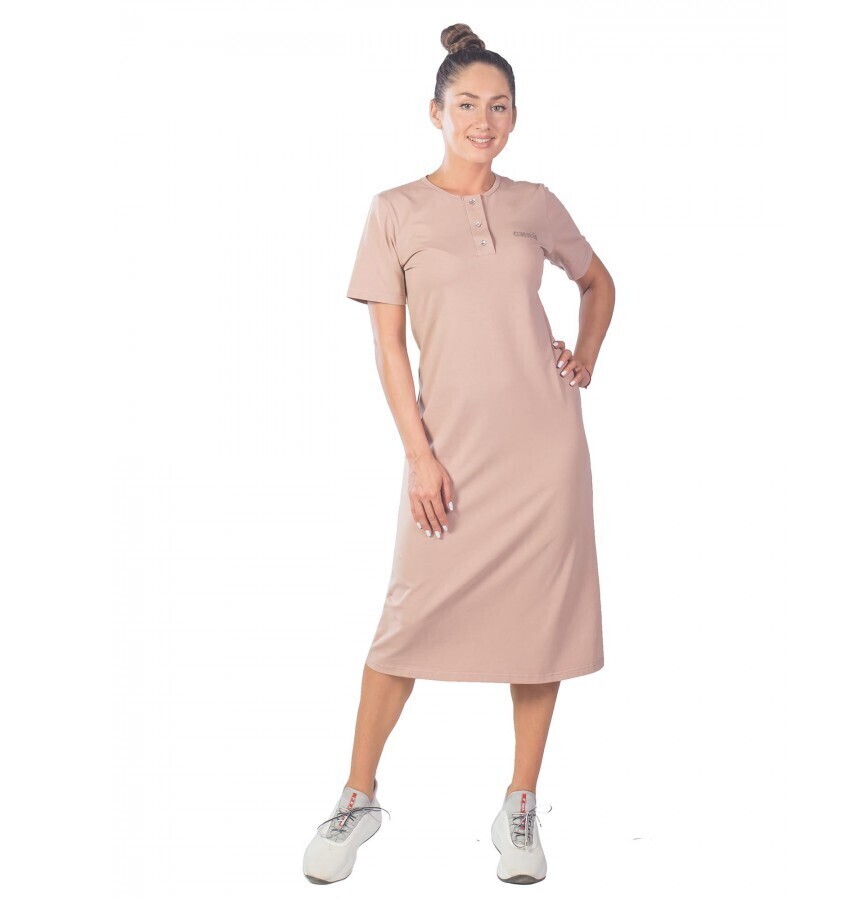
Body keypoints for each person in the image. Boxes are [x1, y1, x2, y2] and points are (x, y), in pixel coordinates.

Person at [303, 23, 616, 886]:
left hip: (545, 453)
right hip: (450, 456)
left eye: (500, 106)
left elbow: (598, 281)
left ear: (515, 116)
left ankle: (520, 805)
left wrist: (586, 355)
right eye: (468, 104)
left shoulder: (535, 204)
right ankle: (358, 796)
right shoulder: (394, 210)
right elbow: (388, 348)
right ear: (435, 112)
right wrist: (421, 456)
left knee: (542, 629)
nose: (485, 120)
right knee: (404, 625)